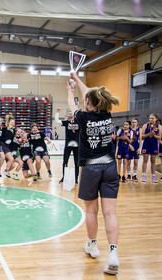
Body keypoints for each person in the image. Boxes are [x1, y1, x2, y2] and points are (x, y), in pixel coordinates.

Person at [68, 72, 120, 275]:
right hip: (109, 167)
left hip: (90, 168)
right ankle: (113, 253)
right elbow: (90, 93)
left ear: (87, 102)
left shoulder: (82, 117)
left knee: (91, 211)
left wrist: (70, 89)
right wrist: (79, 80)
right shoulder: (107, 114)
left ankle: (92, 245)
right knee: (110, 213)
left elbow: (73, 106)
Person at [55, 108, 80, 184]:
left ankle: (76, 179)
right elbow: (57, 121)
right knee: (65, 161)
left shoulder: (80, 122)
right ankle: (64, 177)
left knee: (77, 163)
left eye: (73, 114)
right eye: (71, 114)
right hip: (68, 146)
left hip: (77, 146)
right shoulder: (67, 122)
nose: (71, 115)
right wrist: (57, 113)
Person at [140, 113, 161, 183]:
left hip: (154, 144)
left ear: (156, 119)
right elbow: (142, 136)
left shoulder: (159, 126)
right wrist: (149, 134)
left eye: (152, 118)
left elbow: (159, 137)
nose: (151, 119)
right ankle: (143, 175)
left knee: (153, 161)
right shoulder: (145, 125)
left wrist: (154, 135)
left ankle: (153, 176)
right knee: (145, 160)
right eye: (150, 118)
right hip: (146, 143)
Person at [0, 113, 16, 178]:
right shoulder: (4, 129)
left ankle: (6, 170)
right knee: (2, 158)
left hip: (7, 147)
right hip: (1, 145)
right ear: (8, 123)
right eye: (11, 122)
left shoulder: (13, 130)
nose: (12, 123)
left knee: (11, 159)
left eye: (13, 122)